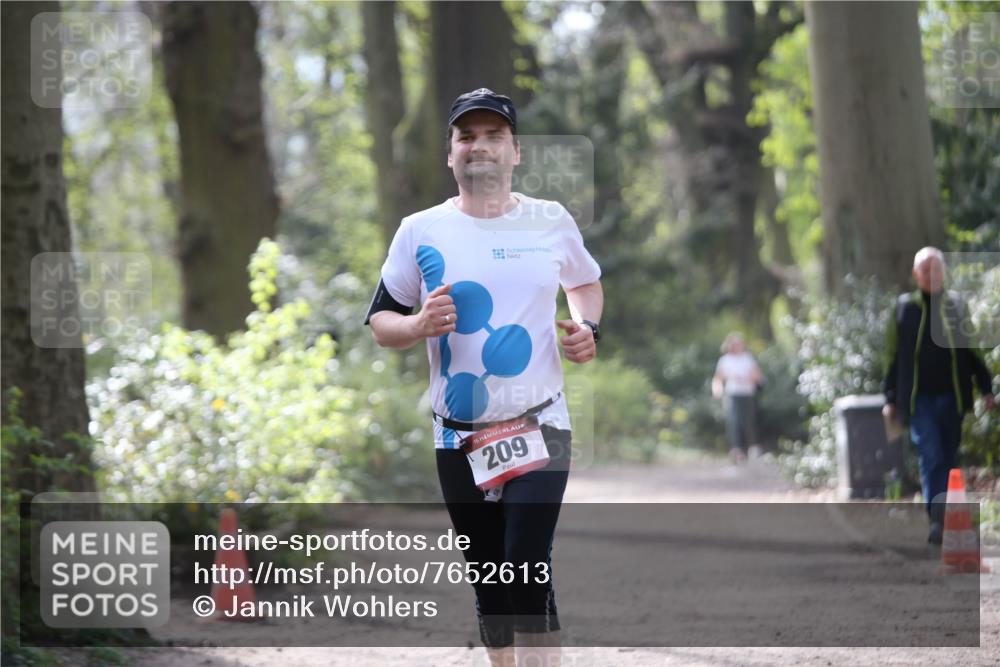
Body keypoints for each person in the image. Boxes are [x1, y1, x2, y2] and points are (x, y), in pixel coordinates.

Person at [365, 87, 603, 666]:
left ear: (515, 151)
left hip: (540, 423)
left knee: (525, 561)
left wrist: (587, 327)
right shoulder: (419, 230)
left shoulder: (550, 221)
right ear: (450, 154)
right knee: (491, 577)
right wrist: (419, 323)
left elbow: (585, 283)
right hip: (458, 433)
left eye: (494, 136)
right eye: (466, 136)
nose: (480, 147)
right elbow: (380, 321)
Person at [882, 247, 995, 545]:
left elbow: (970, 351)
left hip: (952, 396)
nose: (932, 275)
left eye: (937, 269)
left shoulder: (956, 306)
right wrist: (890, 397)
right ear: (915, 275)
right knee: (930, 453)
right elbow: (892, 356)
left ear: (943, 273)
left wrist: (985, 388)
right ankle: (935, 519)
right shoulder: (904, 308)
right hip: (919, 399)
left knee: (947, 456)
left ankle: (944, 513)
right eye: (926, 269)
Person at [712, 332, 764, 463]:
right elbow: (718, 378)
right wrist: (717, 390)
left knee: (748, 421)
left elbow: (758, 377)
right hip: (733, 394)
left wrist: (746, 378)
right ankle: (737, 450)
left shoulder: (748, 358)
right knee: (733, 421)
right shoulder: (725, 360)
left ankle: (752, 447)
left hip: (747, 393)